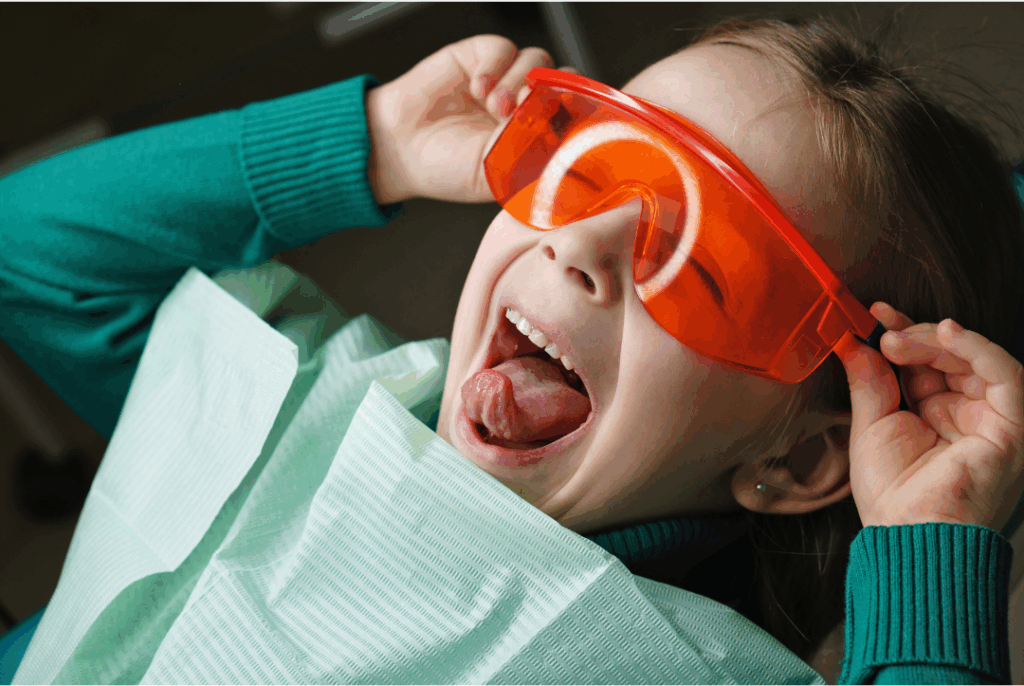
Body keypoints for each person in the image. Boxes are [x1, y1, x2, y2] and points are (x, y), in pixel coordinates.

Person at [1, 11, 1022, 685]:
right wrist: (378, 143)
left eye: (712, 271)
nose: (577, 244)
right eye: (590, 165)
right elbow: (34, 256)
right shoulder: (297, 380)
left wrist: (929, 546)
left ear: (796, 459)